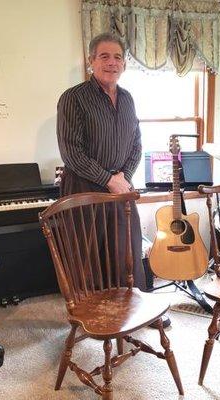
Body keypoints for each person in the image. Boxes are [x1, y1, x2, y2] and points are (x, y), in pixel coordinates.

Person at [56, 32, 148, 291]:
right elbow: (71, 152)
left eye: (117, 57)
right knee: (87, 258)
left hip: (121, 188)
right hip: (84, 189)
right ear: (91, 60)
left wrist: (123, 179)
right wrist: (108, 179)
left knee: (127, 251)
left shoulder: (128, 99)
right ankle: (94, 316)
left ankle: (134, 309)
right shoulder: (73, 98)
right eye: (104, 56)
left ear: (124, 64)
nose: (112, 62)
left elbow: (136, 144)